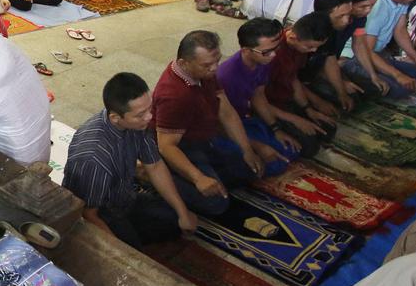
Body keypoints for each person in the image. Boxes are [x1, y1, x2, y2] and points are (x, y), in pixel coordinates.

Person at [64, 72, 199, 248]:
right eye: (141, 114)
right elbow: (88, 214)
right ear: (115, 117)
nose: (149, 117)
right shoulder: (94, 157)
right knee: (134, 255)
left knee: (175, 220)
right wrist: (120, 253)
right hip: (103, 211)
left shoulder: (135, 123)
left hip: (125, 198)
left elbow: (155, 166)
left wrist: (182, 213)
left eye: (149, 109)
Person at [151, 30, 269, 216]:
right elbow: (166, 146)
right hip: (181, 147)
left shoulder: (204, 73)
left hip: (204, 140)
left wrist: (246, 149)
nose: (215, 68)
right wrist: (198, 178)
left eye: (217, 61)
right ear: (184, 63)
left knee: (251, 168)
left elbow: (226, 112)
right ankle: (151, 175)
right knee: (216, 203)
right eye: (207, 65)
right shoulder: (174, 95)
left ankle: (205, 174)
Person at [216, 17, 320, 169]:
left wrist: (275, 129)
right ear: (246, 50)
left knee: (293, 149)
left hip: (246, 120)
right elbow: (219, 123)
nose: (273, 55)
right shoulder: (225, 76)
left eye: (276, 49)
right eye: (267, 52)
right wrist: (256, 146)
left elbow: (258, 96)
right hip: (225, 128)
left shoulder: (263, 61)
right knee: (270, 164)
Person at [343, 0, 416, 98]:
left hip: (375, 53)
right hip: (356, 57)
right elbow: (365, 51)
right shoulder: (375, 9)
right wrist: (397, 75)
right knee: (399, 88)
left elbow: (400, 30)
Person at [264, 10, 339, 147]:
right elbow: (256, 99)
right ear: (292, 37)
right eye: (310, 47)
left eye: (316, 47)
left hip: (285, 99)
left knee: (328, 129)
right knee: (309, 145)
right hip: (266, 107)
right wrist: (294, 119)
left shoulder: (298, 48)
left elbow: (293, 79)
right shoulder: (270, 55)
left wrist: (308, 109)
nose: (314, 51)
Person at [310, 0, 378, 110]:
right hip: (316, 73)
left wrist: (372, 75)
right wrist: (342, 86)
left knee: (370, 90)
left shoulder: (356, 19)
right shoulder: (320, 31)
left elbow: (358, 45)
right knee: (348, 102)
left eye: (372, 5)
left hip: (332, 66)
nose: (347, 21)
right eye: (341, 16)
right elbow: (317, 65)